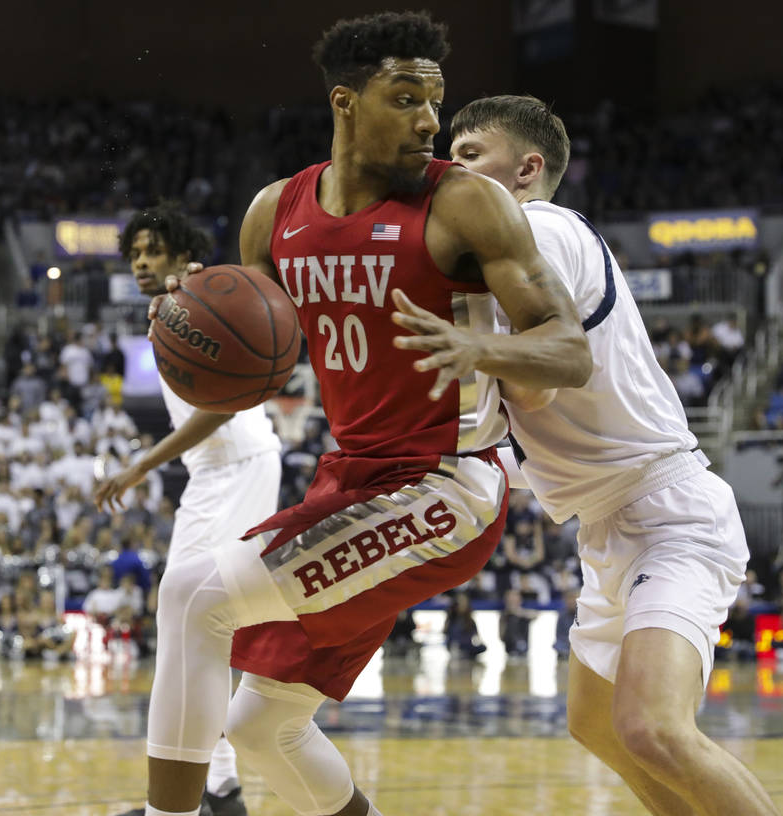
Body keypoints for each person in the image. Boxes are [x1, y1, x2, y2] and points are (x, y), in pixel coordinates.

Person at [133, 12, 589, 816]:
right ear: (345, 102)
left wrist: (480, 351)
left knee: (192, 598)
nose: (428, 121)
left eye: (436, 102)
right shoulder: (275, 212)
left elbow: (568, 349)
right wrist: (193, 315)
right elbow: (253, 354)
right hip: (349, 483)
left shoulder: (467, 204)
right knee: (262, 725)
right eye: (406, 97)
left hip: (446, 489)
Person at [449, 94, 779, 815]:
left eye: (471, 153)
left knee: (652, 728)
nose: (452, 165)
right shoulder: (511, 250)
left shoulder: (537, 225)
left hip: (668, 511)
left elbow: (532, 393)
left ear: (527, 168)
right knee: (598, 726)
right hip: (609, 524)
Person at [98, 201, 283, 816]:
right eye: (135, 255)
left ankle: (215, 791)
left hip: (238, 466)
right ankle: (220, 789)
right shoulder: (170, 312)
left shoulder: (197, 292)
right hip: (218, 474)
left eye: (154, 251)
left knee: (192, 620)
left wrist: (143, 463)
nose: (143, 263)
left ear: (181, 255)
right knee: (195, 627)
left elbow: (225, 405)